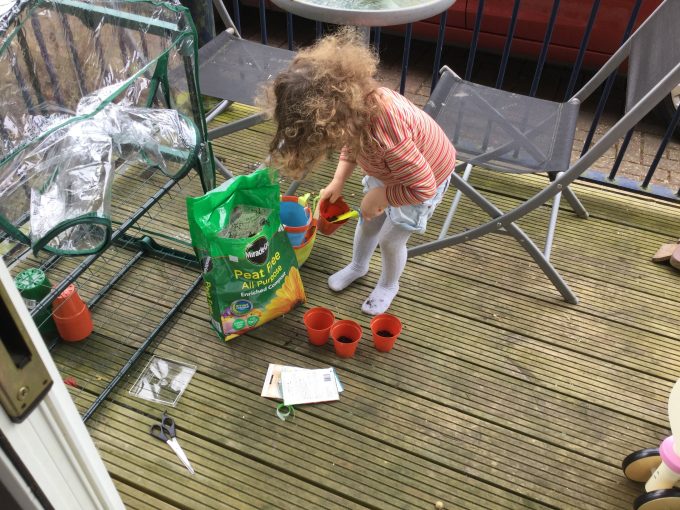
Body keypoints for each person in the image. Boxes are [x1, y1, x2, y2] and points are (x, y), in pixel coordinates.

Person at [259, 29, 457, 315]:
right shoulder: (352, 112)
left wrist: (383, 195)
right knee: (367, 221)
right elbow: (351, 144)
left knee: (391, 238)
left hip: (424, 178)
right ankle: (358, 266)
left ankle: (389, 284)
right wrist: (339, 180)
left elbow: (422, 186)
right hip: (390, 169)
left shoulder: (387, 133)